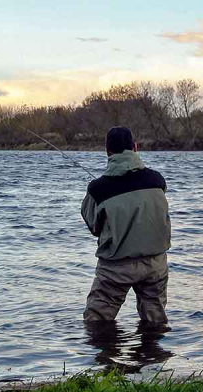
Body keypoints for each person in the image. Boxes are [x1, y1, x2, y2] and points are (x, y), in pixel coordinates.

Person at [81, 126, 172, 323]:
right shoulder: (157, 180)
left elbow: (93, 226)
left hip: (116, 266)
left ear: (107, 152)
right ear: (135, 148)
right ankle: (153, 353)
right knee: (155, 321)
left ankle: (103, 353)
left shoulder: (97, 189)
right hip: (155, 263)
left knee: (96, 322)